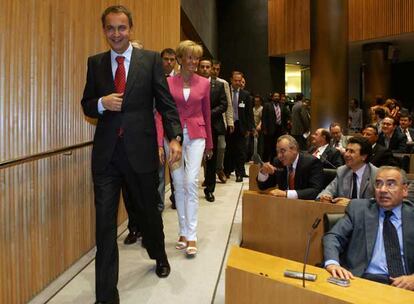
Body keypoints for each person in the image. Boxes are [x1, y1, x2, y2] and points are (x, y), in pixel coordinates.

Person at [81, 5, 182, 303]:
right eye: (110, 28)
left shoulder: (149, 60)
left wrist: (175, 137)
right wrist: (101, 102)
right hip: (107, 157)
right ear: (104, 31)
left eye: (121, 28)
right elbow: (87, 103)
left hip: (140, 152)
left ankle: (159, 253)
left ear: (130, 29)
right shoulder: (96, 63)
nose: (116, 33)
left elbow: (166, 103)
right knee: (104, 226)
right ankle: (106, 296)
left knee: (148, 212)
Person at [159, 40, 212, 257]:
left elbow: (207, 112)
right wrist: (158, 143)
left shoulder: (205, 83)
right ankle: (182, 232)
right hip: (172, 137)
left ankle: (192, 234)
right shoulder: (168, 83)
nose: (194, 62)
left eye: (197, 58)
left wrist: (209, 143)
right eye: (190, 57)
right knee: (178, 183)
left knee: (191, 182)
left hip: (197, 134)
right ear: (180, 59)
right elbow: (159, 114)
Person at [323, 166, 414, 289]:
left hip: (404, 286)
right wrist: (333, 263)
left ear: (404, 190)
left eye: (391, 184)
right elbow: (333, 237)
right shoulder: (359, 209)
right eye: (378, 184)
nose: (382, 190)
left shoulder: (411, 215)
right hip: (361, 281)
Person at [257, 135, 324, 200]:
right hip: (283, 206)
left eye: (282, 151)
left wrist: (286, 194)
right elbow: (263, 186)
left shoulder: (312, 162)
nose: (279, 156)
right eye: (277, 152)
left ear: (294, 149)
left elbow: (315, 191)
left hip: (305, 206)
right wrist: (263, 172)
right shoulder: (277, 162)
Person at [198, 58, 227, 202]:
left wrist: (208, 113)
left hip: (213, 126)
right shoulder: (192, 82)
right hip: (195, 125)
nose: (204, 69)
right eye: (202, 67)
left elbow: (224, 105)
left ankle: (209, 189)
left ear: (211, 69)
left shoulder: (219, 85)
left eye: (207, 67)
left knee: (211, 158)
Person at [317, 136, 377, 205]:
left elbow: (377, 202)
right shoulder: (342, 171)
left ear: (364, 156)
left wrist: (351, 203)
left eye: (351, 151)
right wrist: (325, 197)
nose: (346, 154)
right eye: (346, 150)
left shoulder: (376, 174)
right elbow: (328, 190)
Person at [223, 71, 255, 182]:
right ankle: (226, 171)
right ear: (231, 80)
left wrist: (250, 128)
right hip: (228, 125)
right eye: (235, 80)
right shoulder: (225, 92)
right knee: (228, 149)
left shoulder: (245, 95)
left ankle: (240, 173)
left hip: (241, 126)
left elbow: (249, 113)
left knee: (241, 151)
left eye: (239, 81)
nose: (237, 83)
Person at [211, 59, 233, 183]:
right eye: (213, 68)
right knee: (207, 149)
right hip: (205, 121)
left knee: (221, 146)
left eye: (218, 69)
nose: (215, 71)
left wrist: (230, 122)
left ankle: (219, 169)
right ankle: (209, 175)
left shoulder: (223, 83)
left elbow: (228, 104)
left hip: (220, 121)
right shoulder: (203, 81)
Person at [261, 92, 290, 162]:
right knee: (269, 147)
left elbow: (285, 118)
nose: (276, 97)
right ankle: (266, 162)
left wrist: (286, 129)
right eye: (275, 96)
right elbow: (264, 118)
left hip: (280, 129)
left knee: (279, 146)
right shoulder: (267, 105)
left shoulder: (282, 105)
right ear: (272, 97)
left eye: (278, 96)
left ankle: (277, 161)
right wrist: (264, 128)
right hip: (270, 129)